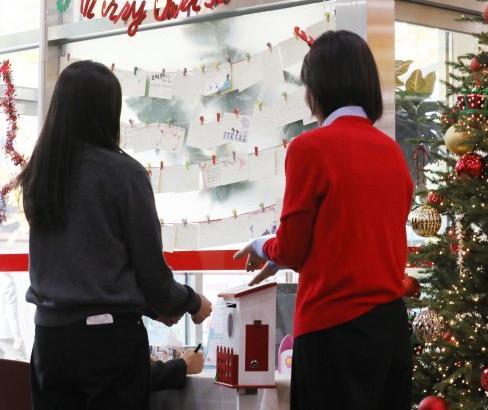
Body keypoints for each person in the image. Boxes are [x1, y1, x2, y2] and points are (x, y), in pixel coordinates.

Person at [234, 30, 414, 410]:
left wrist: (259, 245)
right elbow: (357, 238)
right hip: (390, 331)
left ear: (317, 88)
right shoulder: (391, 153)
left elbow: (292, 247)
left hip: (333, 329)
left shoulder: (309, 149)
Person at [19, 60, 212, 410]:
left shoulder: (40, 174)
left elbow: (82, 266)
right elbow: (153, 277)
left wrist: (158, 307)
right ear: (109, 112)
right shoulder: (123, 174)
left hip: (49, 340)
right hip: (107, 346)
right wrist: (192, 303)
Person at [0, 272, 24, 360]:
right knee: (19, 363)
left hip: (4, 333)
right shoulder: (6, 280)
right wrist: (16, 335)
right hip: (5, 333)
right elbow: (11, 310)